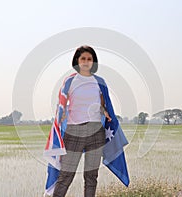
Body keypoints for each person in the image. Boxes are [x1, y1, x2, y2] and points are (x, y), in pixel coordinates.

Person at [52, 45, 112, 197]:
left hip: (95, 132)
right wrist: (62, 114)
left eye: (89, 59)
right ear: (77, 61)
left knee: (91, 176)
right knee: (66, 175)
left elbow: (101, 105)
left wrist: (105, 112)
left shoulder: (99, 82)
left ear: (94, 62)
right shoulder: (70, 81)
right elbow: (62, 103)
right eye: (83, 58)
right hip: (74, 132)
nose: (86, 62)